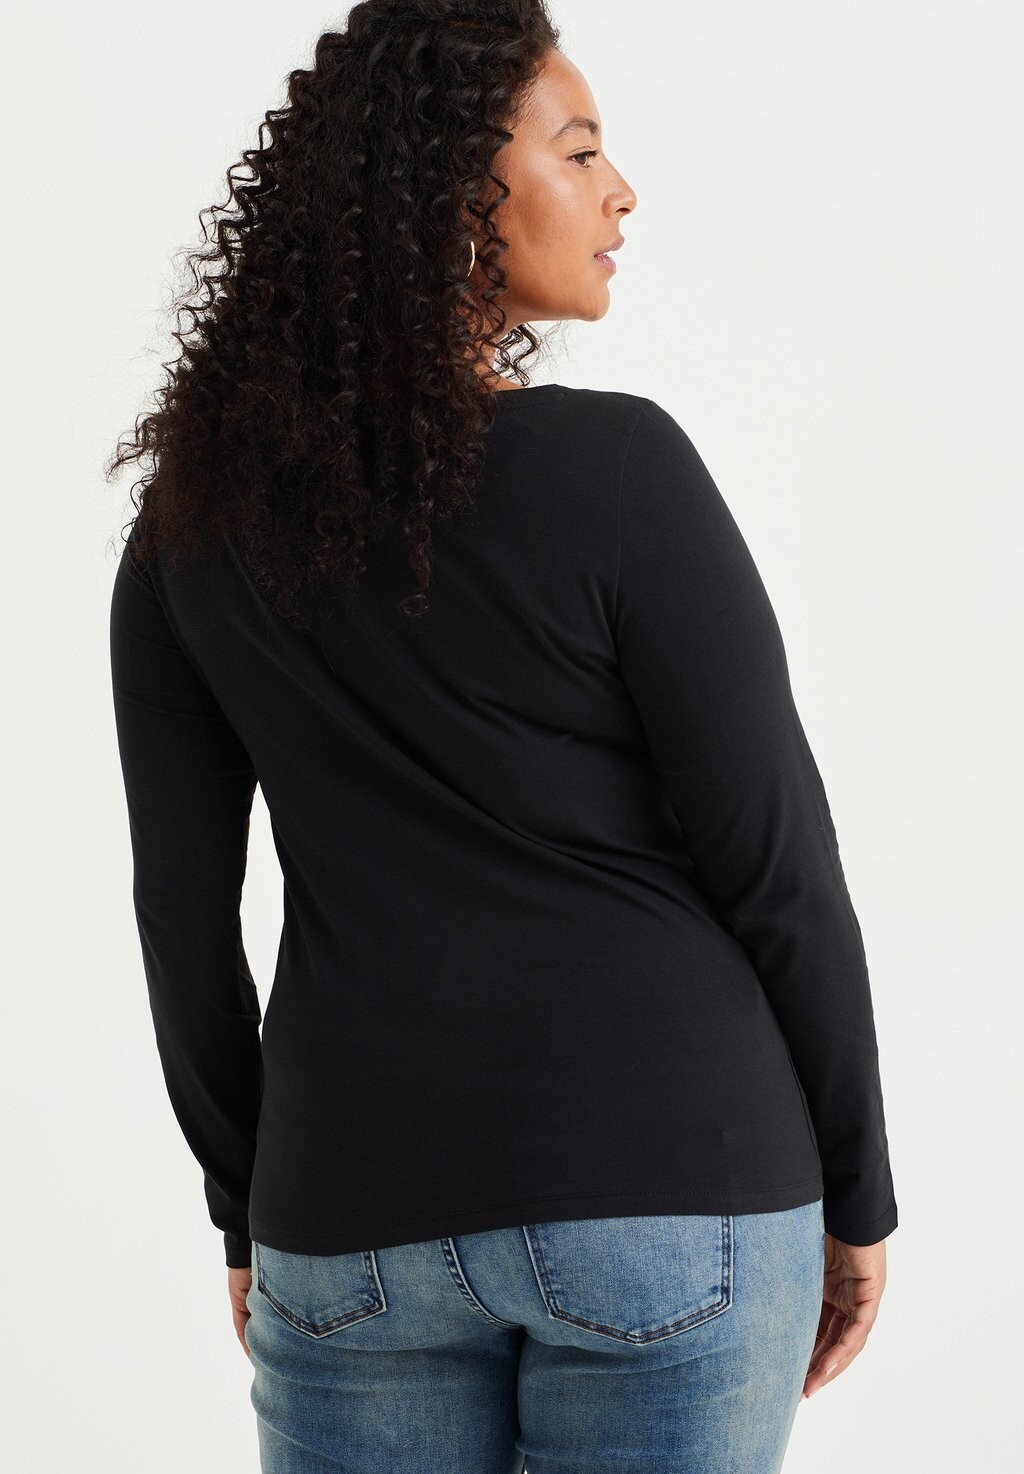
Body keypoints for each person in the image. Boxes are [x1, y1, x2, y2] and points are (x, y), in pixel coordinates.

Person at [107, 2, 898, 1470]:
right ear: (456, 191)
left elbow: (181, 919)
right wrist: (857, 1189)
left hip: (350, 1219)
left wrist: (249, 1205)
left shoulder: (190, 534)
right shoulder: (621, 470)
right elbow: (777, 863)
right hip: (677, 1190)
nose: (622, 192)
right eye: (579, 151)